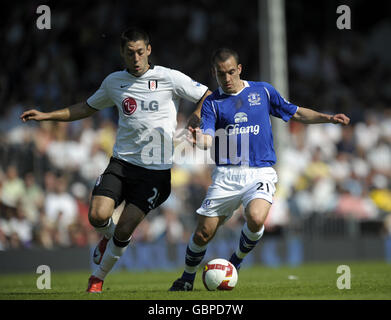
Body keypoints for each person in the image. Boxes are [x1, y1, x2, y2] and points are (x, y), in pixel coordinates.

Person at [20, 26, 211, 293]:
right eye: (130, 52)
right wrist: (47, 115)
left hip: (155, 172)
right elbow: (86, 108)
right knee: (97, 217)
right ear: (122, 53)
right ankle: (109, 239)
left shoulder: (169, 78)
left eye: (140, 52)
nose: (136, 58)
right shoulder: (114, 82)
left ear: (149, 51)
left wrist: (198, 115)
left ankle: (97, 278)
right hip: (121, 164)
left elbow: (207, 94)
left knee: (123, 231)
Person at [169, 47, 350, 291]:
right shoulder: (213, 103)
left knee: (255, 217)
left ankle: (235, 262)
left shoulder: (263, 90)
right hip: (226, 175)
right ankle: (187, 279)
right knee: (203, 233)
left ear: (239, 69)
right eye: (221, 74)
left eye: (231, 72)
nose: (227, 78)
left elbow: (295, 112)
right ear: (215, 73)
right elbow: (208, 138)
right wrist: (198, 139)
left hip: (260, 171)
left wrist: (327, 118)